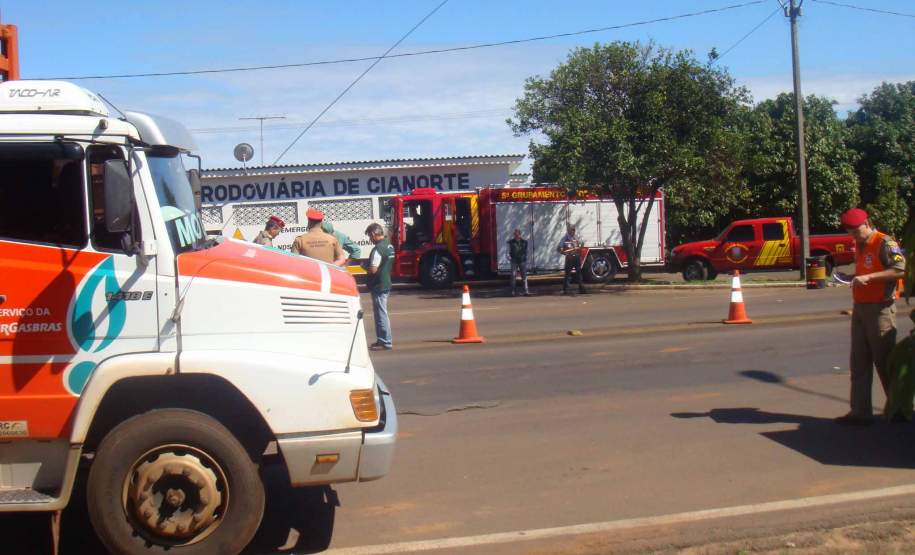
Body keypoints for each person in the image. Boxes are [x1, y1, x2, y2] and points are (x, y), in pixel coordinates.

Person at [835, 207, 906, 425]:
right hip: (861, 307)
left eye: (857, 231)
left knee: (885, 361)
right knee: (859, 362)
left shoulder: (885, 242)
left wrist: (869, 278)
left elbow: (900, 270)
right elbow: (865, 270)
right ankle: (860, 412)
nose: (854, 236)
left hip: (880, 309)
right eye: (851, 233)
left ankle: (900, 409)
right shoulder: (860, 244)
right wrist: (852, 277)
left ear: (867, 223)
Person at [364, 222, 395, 351]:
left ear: (373, 234)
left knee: (380, 313)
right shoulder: (389, 245)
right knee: (381, 312)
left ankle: (385, 341)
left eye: (370, 237)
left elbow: (373, 269)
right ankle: (382, 339)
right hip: (386, 282)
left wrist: (364, 266)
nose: (370, 240)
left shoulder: (378, 249)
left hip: (379, 285)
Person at [558, 225, 586, 295]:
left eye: (574, 230)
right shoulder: (564, 238)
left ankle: (582, 289)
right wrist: (563, 252)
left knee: (579, 273)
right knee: (567, 274)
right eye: (572, 230)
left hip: (576, 257)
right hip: (569, 258)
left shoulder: (576, 237)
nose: (573, 231)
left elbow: (581, 244)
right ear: (568, 231)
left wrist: (581, 245)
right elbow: (559, 248)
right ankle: (566, 290)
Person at [508, 228, 530, 296]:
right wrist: (509, 257)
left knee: (524, 276)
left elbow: (527, 251)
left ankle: (526, 290)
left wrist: (526, 258)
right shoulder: (510, 242)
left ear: (520, 235)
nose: (516, 235)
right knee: (513, 276)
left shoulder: (524, 242)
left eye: (517, 234)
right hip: (514, 261)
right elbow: (508, 251)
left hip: (522, 261)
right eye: (515, 234)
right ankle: (513, 291)